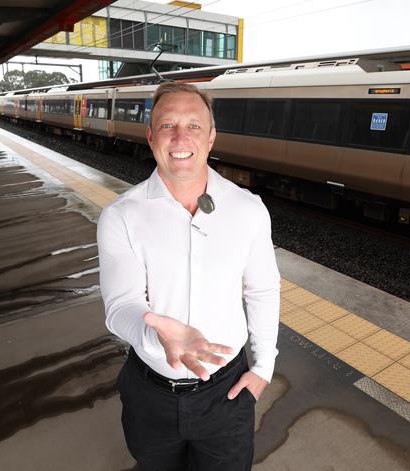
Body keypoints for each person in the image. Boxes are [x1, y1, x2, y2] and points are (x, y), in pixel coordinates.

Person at [97, 81, 280, 471]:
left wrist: (263, 368)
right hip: (150, 395)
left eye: (194, 126)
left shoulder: (248, 209)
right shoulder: (121, 215)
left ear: (211, 137)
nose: (181, 137)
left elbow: (262, 290)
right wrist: (157, 335)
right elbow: (120, 307)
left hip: (227, 394)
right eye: (167, 126)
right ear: (150, 137)